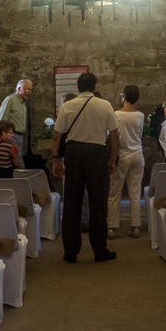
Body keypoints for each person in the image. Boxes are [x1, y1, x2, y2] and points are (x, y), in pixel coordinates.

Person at [52, 72, 119, 263]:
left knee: (72, 201)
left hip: (73, 153)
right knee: (98, 202)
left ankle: (71, 252)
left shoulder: (68, 106)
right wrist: (113, 160)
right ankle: (100, 250)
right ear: (95, 87)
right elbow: (115, 136)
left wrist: (56, 160)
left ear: (78, 87)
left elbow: (57, 137)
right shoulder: (104, 105)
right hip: (96, 153)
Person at [107, 85, 145, 239]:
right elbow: (140, 134)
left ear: (124, 97)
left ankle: (112, 227)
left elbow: (114, 136)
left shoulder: (117, 114)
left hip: (122, 154)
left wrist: (112, 158)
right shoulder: (140, 115)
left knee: (114, 192)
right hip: (137, 154)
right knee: (135, 193)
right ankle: (135, 226)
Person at [0, 79, 32, 154]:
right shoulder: (10, 100)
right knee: (15, 159)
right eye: (27, 89)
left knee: (18, 158)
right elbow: (1, 120)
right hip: (12, 136)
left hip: (19, 136)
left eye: (30, 90)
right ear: (19, 89)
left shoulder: (22, 102)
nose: (29, 92)